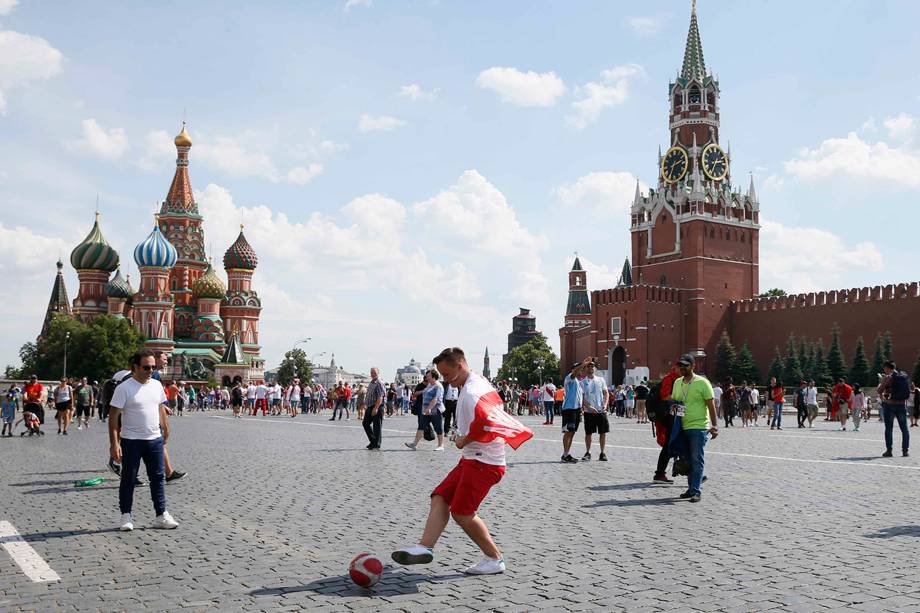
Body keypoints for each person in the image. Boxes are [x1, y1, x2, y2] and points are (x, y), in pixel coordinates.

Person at [391, 347, 532, 575]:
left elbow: (486, 422)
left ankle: (494, 559)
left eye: (446, 375)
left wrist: (462, 439)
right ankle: (424, 547)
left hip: (484, 463)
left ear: (459, 366)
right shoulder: (476, 382)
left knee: (462, 512)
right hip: (472, 459)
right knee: (440, 496)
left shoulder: (471, 392)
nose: (445, 380)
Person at [108, 349, 179, 531]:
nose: (150, 370)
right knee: (128, 479)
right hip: (131, 440)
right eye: (146, 367)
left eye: (153, 367)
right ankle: (126, 516)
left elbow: (160, 408)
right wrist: (114, 444)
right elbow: (113, 417)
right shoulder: (123, 388)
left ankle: (161, 515)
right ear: (135, 367)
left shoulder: (156, 385)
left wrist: (167, 428)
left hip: (154, 439)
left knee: (157, 478)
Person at [669, 354, 718, 502]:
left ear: (693, 366)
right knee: (686, 459)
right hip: (681, 426)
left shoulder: (703, 383)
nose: (682, 368)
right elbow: (675, 401)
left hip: (698, 427)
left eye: (685, 365)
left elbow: (711, 405)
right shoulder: (677, 382)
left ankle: (696, 490)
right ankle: (691, 489)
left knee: (697, 458)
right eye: (681, 365)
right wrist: (673, 407)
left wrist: (714, 425)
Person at [406, 370, 446, 451]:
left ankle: (441, 445)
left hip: (435, 410)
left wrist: (429, 408)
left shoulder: (438, 386)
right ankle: (414, 444)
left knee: (438, 427)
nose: (426, 377)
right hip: (425, 409)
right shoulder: (429, 385)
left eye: (428, 376)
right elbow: (424, 393)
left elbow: (435, 399)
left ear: (433, 377)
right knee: (421, 426)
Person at [878, 361, 910, 457]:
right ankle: (905, 451)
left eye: (885, 368)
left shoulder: (888, 377)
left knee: (889, 429)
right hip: (901, 405)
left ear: (888, 368)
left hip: (890, 405)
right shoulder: (903, 376)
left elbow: (880, 390)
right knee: (904, 429)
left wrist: (881, 384)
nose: (884, 370)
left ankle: (889, 451)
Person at [560, 359, 588, 463]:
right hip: (569, 409)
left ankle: (567, 453)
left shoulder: (579, 382)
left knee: (572, 432)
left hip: (576, 410)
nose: (581, 370)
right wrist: (583, 364)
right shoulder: (570, 378)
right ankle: (564, 454)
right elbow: (575, 372)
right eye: (579, 368)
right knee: (568, 432)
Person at [581, 362, 610, 462]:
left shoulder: (601, 380)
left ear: (595, 369)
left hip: (601, 411)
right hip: (589, 412)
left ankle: (602, 453)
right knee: (588, 433)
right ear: (586, 369)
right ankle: (588, 452)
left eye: (592, 366)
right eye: (588, 366)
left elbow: (606, 393)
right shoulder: (583, 382)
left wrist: (605, 404)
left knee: (603, 433)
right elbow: (582, 397)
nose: (590, 368)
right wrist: (588, 406)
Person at [362, 368, 385, 449]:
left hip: (377, 406)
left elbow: (380, 397)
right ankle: (373, 441)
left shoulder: (379, 383)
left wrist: (376, 408)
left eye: (374, 372)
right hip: (370, 406)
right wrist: (366, 404)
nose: (372, 374)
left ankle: (377, 444)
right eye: (371, 372)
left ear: (378, 373)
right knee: (365, 423)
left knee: (377, 426)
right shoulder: (372, 382)